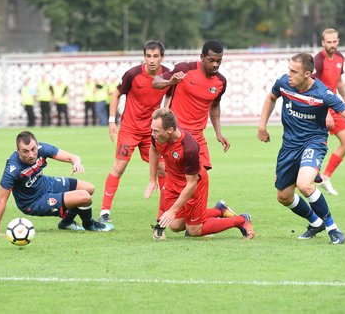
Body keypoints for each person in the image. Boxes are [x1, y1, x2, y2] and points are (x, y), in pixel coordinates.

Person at [257, 53, 345, 245]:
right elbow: (271, 97)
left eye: (294, 71)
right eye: (289, 70)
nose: (289, 74)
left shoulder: (322, 94)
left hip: (314, 143)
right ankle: (315, 222)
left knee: (305, 185)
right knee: (284, 197)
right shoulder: (284, 83)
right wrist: (262, 126)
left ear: (307, 74)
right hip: (289, 147)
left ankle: (333, 229)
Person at [144, 109, 254, 240]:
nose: (152, 134)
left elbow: (191, 184)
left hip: (194, 184)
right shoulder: (156, 136)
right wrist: (152, 180)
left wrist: (173, 210)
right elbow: (153, 150)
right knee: (175, 225)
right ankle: (220, 210)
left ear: (170, 130)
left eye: (156, 130)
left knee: (194, 230)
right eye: (152, 129)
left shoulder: (189, 147)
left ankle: (242, 220)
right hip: (173, 182)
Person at [99, 40, 173, 223]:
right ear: (144, 57)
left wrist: (164, 116)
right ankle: (104, 211)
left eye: (156, 56)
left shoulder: (167, 75)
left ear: (162, 57)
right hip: (130, 129)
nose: (152, 60)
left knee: (163, 169)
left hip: (152, 132)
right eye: (148, 56)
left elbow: (170, 93)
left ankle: (162, 215)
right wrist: (111, 121)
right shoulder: (133, 74)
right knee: (119, 167)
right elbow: (116, 94)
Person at [0, 131, 113, 234]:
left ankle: (66, 222)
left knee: (89, 188)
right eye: (25, 151)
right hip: (33, 202)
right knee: (85, 197)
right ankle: (89, 224)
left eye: (33, 149)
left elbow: (73, 157)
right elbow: (1, 200)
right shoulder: (12, 169)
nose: (31, 154)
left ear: (37, 145)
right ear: (17, 150)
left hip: (45, 184)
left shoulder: (41, 149)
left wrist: (76, 163)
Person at [152, 40, 230, 172]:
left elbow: (215, 106)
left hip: (197, 135)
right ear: (202, 57)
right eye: (211, 60)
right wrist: (170, 82)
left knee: (201, 174)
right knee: (175, 175)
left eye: (219, 61)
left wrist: (218, 133)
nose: (215, 64)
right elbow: (155, 82)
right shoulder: (184, 69)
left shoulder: (220, 82)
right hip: (177, 132)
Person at [313, 28, 345, 196]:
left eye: (334, 41)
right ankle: (303, 178)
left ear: (338, 41)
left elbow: (339, 82)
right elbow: (313, 86)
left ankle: (326, 177)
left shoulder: (340, 58)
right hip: (319, 109)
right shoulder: (318, 60)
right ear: (323, 43)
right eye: (328, 42)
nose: (332, 45)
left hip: (335, 106)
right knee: (315, 145)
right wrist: (325, 112)